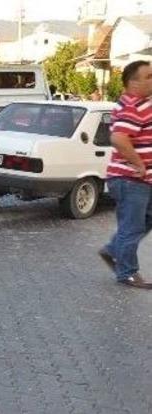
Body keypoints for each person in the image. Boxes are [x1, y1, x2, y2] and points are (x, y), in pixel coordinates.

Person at [99, 60, 152, 289]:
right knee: (131, 228)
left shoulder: (143, 102)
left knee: (142, 222)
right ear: (133, 82)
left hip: (142, 181)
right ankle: (127, 273)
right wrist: (138, 163)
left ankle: (113, 250)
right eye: (149, 76)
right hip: (130, 180)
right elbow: (119, 138)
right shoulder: (131, 105)